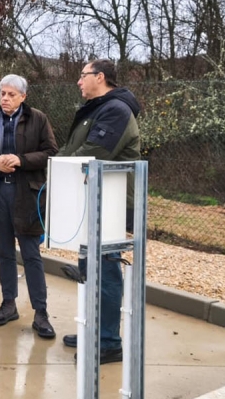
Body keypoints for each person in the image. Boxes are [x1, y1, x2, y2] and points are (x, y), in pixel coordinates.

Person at [59, 59, 141, 364]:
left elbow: (94, 152)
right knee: (89, 267)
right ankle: (92, 330)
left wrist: (59, 167)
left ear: (100, 77)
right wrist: (57, 165)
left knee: (105, 271)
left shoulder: (116, 110)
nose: (79, 81)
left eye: (83, 75)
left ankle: (108, 342)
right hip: (91, 199)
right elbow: (74, 151)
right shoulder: (97, 109)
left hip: (110, 203)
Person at [0, 74, 59, 339]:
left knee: (31, 254)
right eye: (2, 94)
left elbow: (51, 152)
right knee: (5, 251)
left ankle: (40, 312)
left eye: (11, 94)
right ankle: (9, 305)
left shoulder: (38, 119)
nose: (5, 99)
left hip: (27, 196)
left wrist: (21, 160)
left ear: (23, 97)